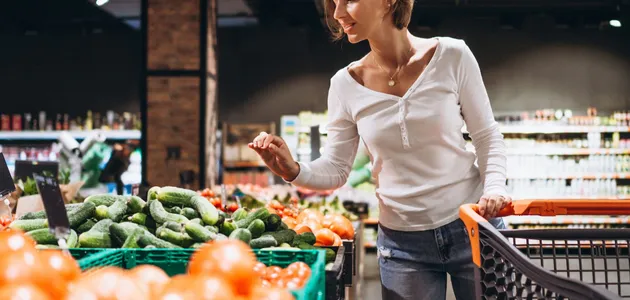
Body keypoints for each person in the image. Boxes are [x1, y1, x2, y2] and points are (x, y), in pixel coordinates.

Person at [249, 0, 511, 299]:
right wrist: (293, 170)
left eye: (348, 1)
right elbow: (336, 169)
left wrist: (494, 187)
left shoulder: (452, 56)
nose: (337, 14)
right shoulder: (345, 85)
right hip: (403, 245)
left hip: (474, 225)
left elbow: (487, 135)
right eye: (333, 3)